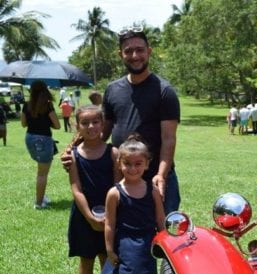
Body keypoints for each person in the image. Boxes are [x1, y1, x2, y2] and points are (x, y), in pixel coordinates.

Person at [61, 27, 181, 213]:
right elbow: (101, 132)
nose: (135, 55)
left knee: (163, 236)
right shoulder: (112, 89)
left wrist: (161, 175)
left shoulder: (164, 91)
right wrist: (73, 151)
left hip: (155, 178)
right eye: (128, 51)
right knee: (125, 235)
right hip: (122, 178)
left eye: (140, 50)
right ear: (120, 54)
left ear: (149, 51)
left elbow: (169, 139)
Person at [103, 135, 165, 274]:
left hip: (148, 241)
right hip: (126, 243)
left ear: (147, 164)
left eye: (138, 164)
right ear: (119, 164)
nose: (132, 168)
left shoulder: (152, 189)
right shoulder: (114, 193)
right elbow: (110, 223)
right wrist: (109, 249)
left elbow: (160, 219)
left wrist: (164, 242)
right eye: (127, 164)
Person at [68, 105, 122, 274]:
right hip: (83, 215)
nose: (91, 126)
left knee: (107, 257)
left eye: (95, 122)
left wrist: (110, 215)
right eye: (85, 123)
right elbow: (76, 189)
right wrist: (90, 216)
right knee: (87, 258)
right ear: (77, 126)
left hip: (110, 214)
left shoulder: (112, 152)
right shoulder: (73, 155)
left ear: (102, 124)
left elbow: (118, 187)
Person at [22, 80, 61, 209]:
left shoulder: (26, 105)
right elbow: (57, 125)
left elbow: (23, 124)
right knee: (42, 174)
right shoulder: (48, 105)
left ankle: (41, 196)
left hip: (30, 138)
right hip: (44, 139)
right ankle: (38, 203)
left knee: (41, 171)